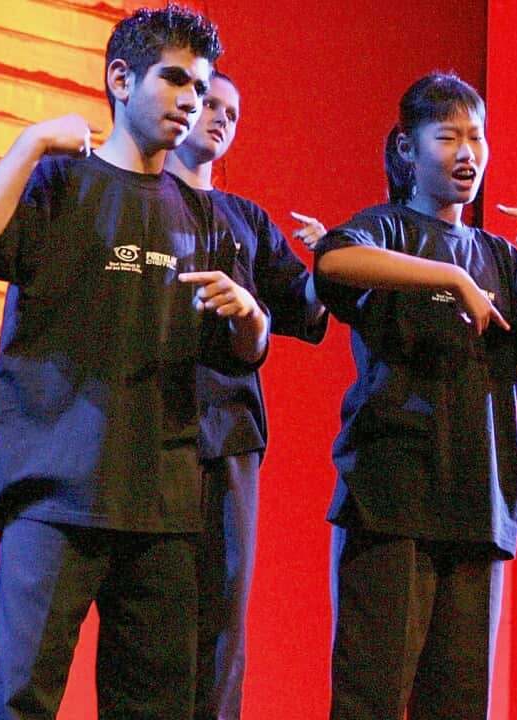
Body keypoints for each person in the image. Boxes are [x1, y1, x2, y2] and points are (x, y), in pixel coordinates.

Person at [0, 6, 266, 719]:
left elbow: (238, 355)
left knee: (155, 706)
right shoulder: (61, 183)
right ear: (120, 78)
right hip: (56, 489)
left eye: (201, 87)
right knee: (22, 697)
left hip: (165, 502)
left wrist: (253, 316)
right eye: (175, 79)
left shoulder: (206, 215)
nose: (192, 100)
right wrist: (30, 143)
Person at [312, 71, 517, 720]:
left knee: (460, 707)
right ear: (409, 150)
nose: (468, 151)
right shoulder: (385, 227)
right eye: (448, 136)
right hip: (391, 499)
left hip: (477, 502)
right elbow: (333, 261)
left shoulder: (500, 258)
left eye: (477, 137)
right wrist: (447, 275)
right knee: (371, 701)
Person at [163, 70, 327, 720]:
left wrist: (334, 263)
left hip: (228, 436)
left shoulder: (247, 221)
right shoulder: (137, 197)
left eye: (234, 110)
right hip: (146, 430)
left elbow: (306, 308)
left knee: (222, 611)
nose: (222, 116)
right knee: (150, 613)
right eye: (210, 101)